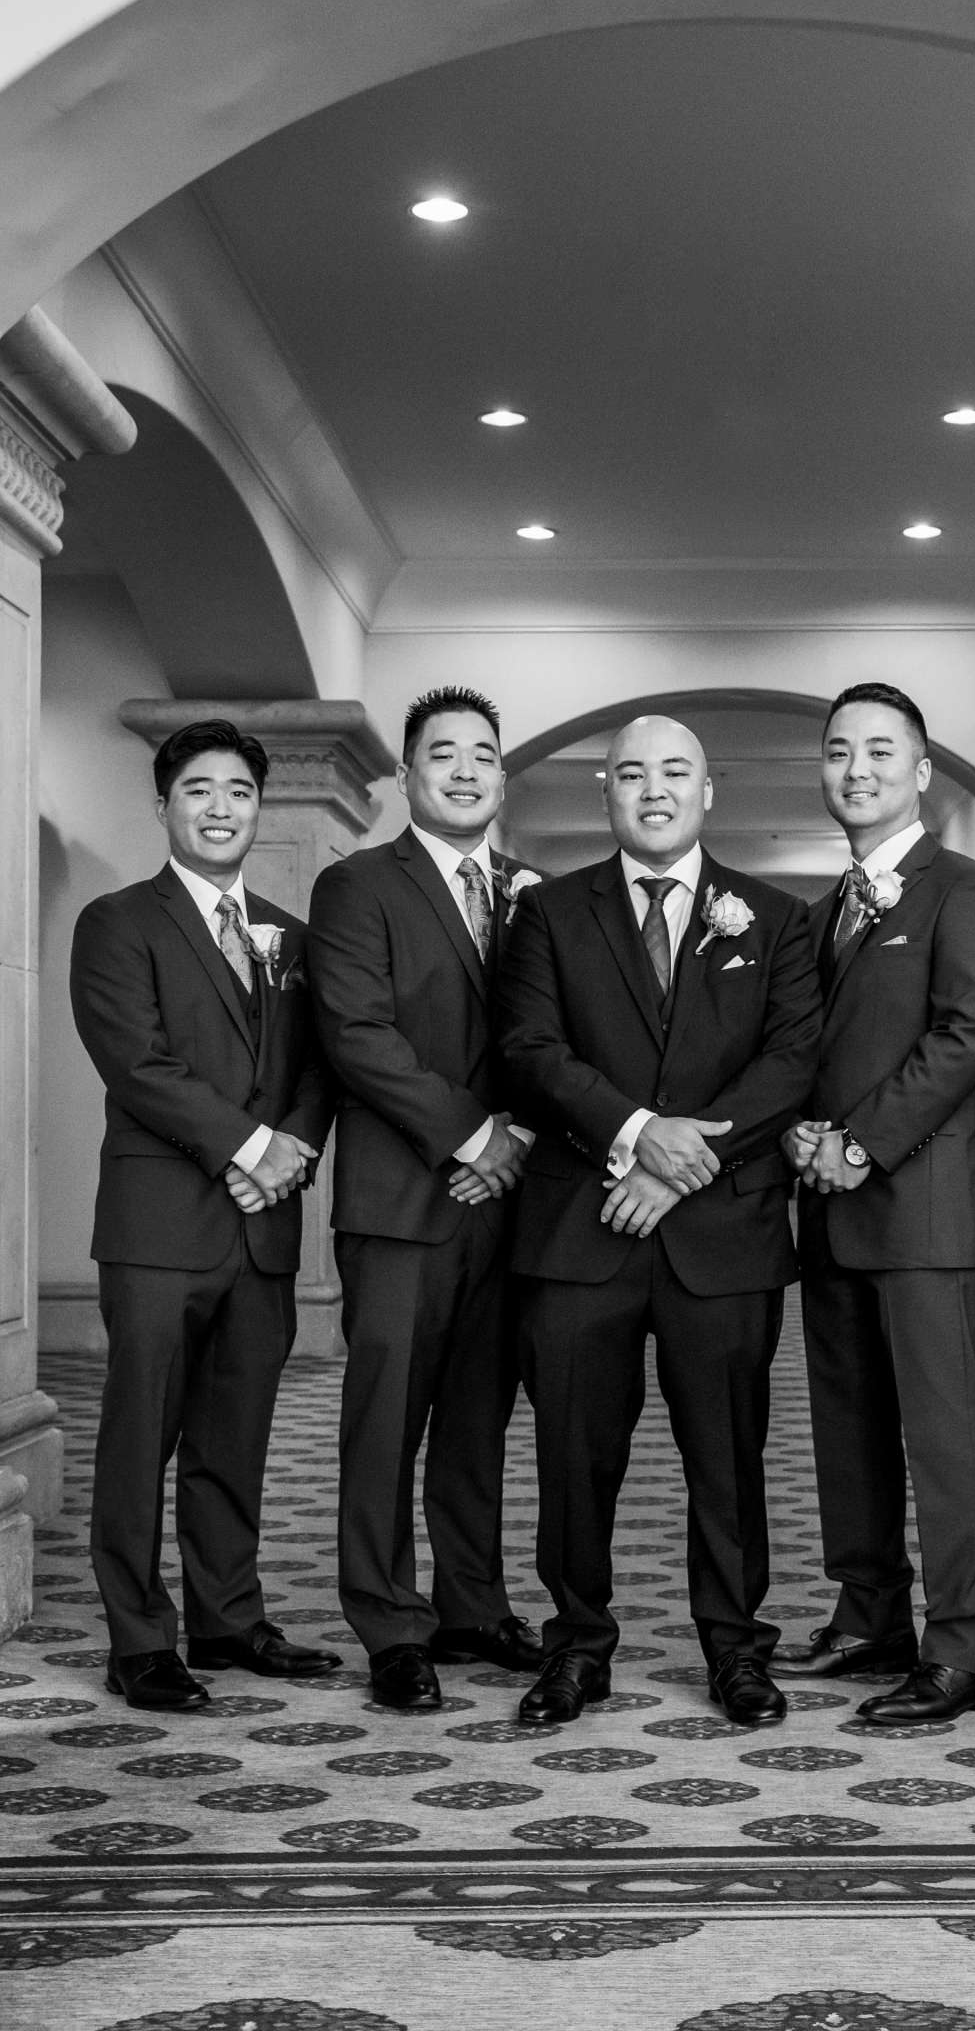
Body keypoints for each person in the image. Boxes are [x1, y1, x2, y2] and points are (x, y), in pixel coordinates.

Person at [496, 714, 821, 1729]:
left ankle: (734, 1647)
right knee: (573, 1452)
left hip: (721, 1233)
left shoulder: (774, 917)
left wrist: (687, 1163)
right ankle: (578, 1644)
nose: (653, 789)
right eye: (629, 773)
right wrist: (638, 1133)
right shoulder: (547, 912)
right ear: (605, 794)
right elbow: (530, 1049)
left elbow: (792, 1061)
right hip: (581, 1226)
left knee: (725, 1455)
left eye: (675, 770)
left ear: (708, 788)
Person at [70, 718, 336, 1709]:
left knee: (237, 1435)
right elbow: (136, 1063)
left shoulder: (292, 937)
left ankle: (228, 1620)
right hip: (157, 1229)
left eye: (238, 792)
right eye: (199, 791)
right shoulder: (117, 921)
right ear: (165, 804)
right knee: (141, 1435)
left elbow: (317, 1066)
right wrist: (247, 1148)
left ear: (258, 807)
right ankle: (138, 1639)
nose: (221, 808)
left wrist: (289, 1153)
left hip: (261, 1227)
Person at [775, 682, 975, 1724]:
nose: (857, 768)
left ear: (921, 770)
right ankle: (869, 1611)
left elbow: (969, 1039)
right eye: (838, 752)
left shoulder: (966, 889)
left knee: (942, 1434)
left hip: (919, 1205)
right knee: (848, 1424)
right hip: (826, 1204)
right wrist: (797, 1133)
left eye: (880, 750)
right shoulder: (819, 912)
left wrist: (862, 1144)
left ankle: (964, 1646)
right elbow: (800, 1053)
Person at [307, 686, 536, 1710]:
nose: (463, 770)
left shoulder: (536, 893)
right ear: (406, 776)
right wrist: (471, 1132)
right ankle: (390, 1622)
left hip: (510, 1203)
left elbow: (552, 1044)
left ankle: (473, 1605)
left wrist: (518, 1137)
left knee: (480, 1417)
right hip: (400, 1201)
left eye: (481, 755)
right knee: (385, 1420)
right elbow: (357, 1036)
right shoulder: (358, 886)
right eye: (441, 754)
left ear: (502, 776)